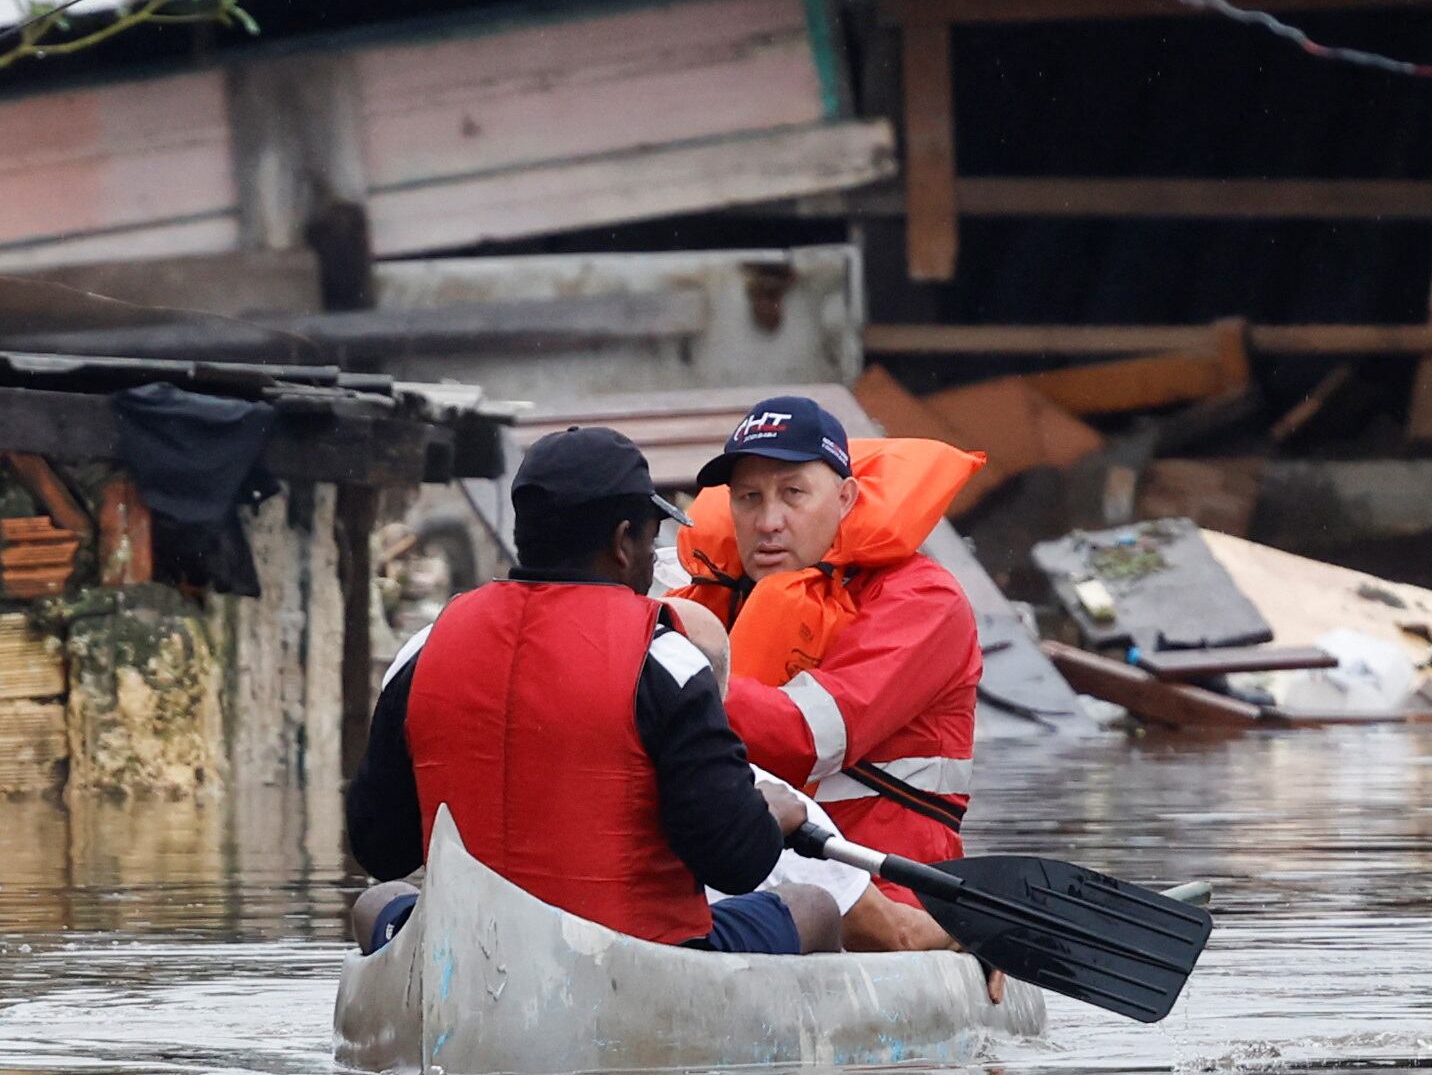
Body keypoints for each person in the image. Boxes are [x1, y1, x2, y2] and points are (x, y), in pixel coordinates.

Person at [344, 425, 837, 956]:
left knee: (379, 902)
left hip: (462, 953)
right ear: (623, 541)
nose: (653, 563)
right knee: (814, 908)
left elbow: (379, 848)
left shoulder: (424, 648)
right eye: (651, 541)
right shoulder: (665, 659)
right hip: (632, 964)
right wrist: (772, 818)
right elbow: (736, 863)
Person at [664, 397, 983, 955]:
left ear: (845, 498)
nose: (767, 522)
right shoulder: (699, 599)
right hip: (753, 886)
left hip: (895, 905)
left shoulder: (925, 602)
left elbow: (808, 741)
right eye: (748, 498)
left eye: (792, 494)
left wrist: (667, 684)